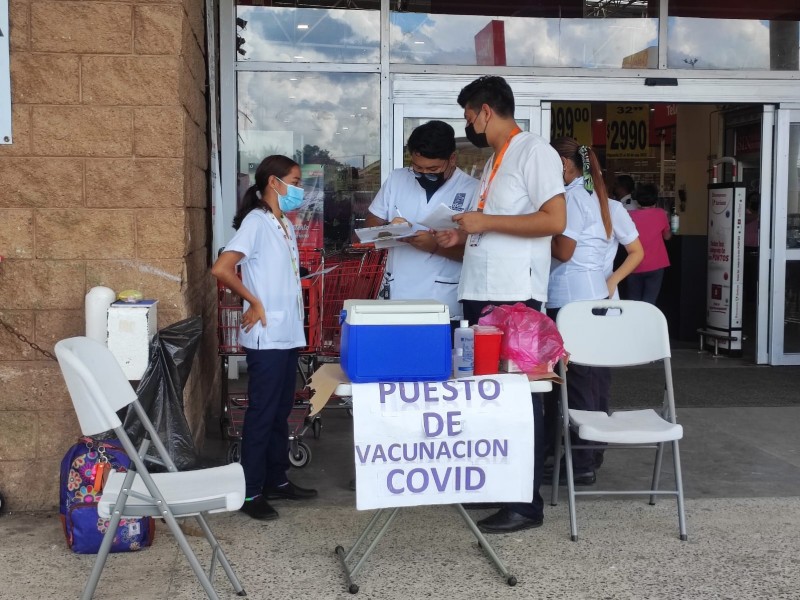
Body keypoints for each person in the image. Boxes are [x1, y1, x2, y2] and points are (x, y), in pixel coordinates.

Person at [436, 75, 566, 534]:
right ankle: (499, 485)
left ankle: (525, 505)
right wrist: (464, 232)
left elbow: (554, 220)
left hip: (515, 294)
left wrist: (484, 220)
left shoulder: (535, 153)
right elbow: (495, 222)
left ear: (486, 110)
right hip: (482, 292)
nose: (467, 124)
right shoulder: (494, 160)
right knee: (491, 397)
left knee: (521, 399)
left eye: (468, 115)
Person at [211, 155, 318, 521]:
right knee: (261, 414)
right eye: (295, 180)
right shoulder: (256, 222)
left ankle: (277, 479)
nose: (299, 189)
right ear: (274, 182)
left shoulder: (283, 223)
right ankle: (251, 491)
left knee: (280, 411)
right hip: (267, 335)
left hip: (287, 333)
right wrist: (252, 299)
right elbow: (222, 268)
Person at [544, 137, 644, 485]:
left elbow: (564, 252)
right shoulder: (608, 203)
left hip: (571, 298)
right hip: (599, 300)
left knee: (574, 380)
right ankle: (589, 455)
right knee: (595, 380)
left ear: (566, 164)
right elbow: (637, 251)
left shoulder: (569, 199)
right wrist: (611, 282)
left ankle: (580, 460)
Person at [365, 120, 478, 318]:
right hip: (396, 295)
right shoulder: (397, 179)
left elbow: (476, 253)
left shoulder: (472, 189)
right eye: (417, 168)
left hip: (443, 299)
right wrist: (389, 228)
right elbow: (369, 227)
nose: (424, 173)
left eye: (433, 169)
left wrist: (434, 245)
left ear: (452, 159)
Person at [627, 183, 671, 305]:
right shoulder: (661, 213)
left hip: (633, 264)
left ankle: (634, 324)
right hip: (655, 265)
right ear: (655, 198)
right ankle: (648, 324)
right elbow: (667, 236)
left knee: (633, 303)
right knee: (650, 303)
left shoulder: (628, 215)